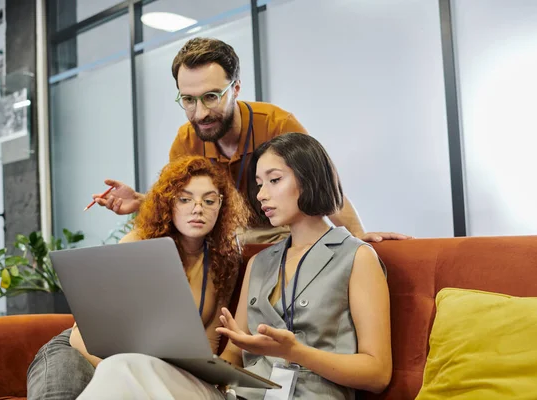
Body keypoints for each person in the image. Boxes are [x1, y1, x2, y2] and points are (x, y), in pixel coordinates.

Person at [76, 132, 392, 399]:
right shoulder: (260, 262)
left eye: (274, 180)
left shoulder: (356, 257)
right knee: (124, 366)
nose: (261, 195)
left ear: (309, 180)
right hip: (243, 395)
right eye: (258, 184)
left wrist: (295, 352)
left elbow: (378, 373)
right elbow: (232, 356)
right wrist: (203, 366)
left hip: (309, 394)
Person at [92, 37, 410, 244]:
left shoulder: (278, 124)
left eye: (211, 97)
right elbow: (182, 201)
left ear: (237, 89)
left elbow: (324, 189)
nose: (200, 113)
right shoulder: (186, 139)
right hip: (225, 233)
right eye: (188, 100)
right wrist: (141, 200)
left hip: (280, 231)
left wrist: (357, 237)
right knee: (132, 240)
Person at [27, 156, 250, 400]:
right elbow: (83, 334)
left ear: (221, 206)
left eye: (209, 201)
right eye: (185, 199)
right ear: (168, 203)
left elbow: (208, 342)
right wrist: (126, 374)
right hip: (82, 349)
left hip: (147, 367)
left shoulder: (223, 262)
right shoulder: (138, 242)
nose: (198, 208)